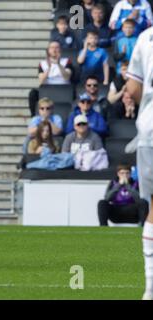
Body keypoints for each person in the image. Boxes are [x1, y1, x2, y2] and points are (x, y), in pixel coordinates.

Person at [125, 25, 153, 300]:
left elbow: (132, 88)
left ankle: (150, 289)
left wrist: (129, 94)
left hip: (149, 131)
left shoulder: (145, 37)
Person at [28, 41, 73, 116]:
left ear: (60, 50)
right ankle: (34, 116)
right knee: (32, 94)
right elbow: (41, 81)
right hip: (47, 89)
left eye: (57, 47)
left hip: (63, 88)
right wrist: (49, 68)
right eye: (52, 47)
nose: (54, 50)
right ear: (48, 50)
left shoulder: (66, 61)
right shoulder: (42, 63)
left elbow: (67, 77)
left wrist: (58, 64)